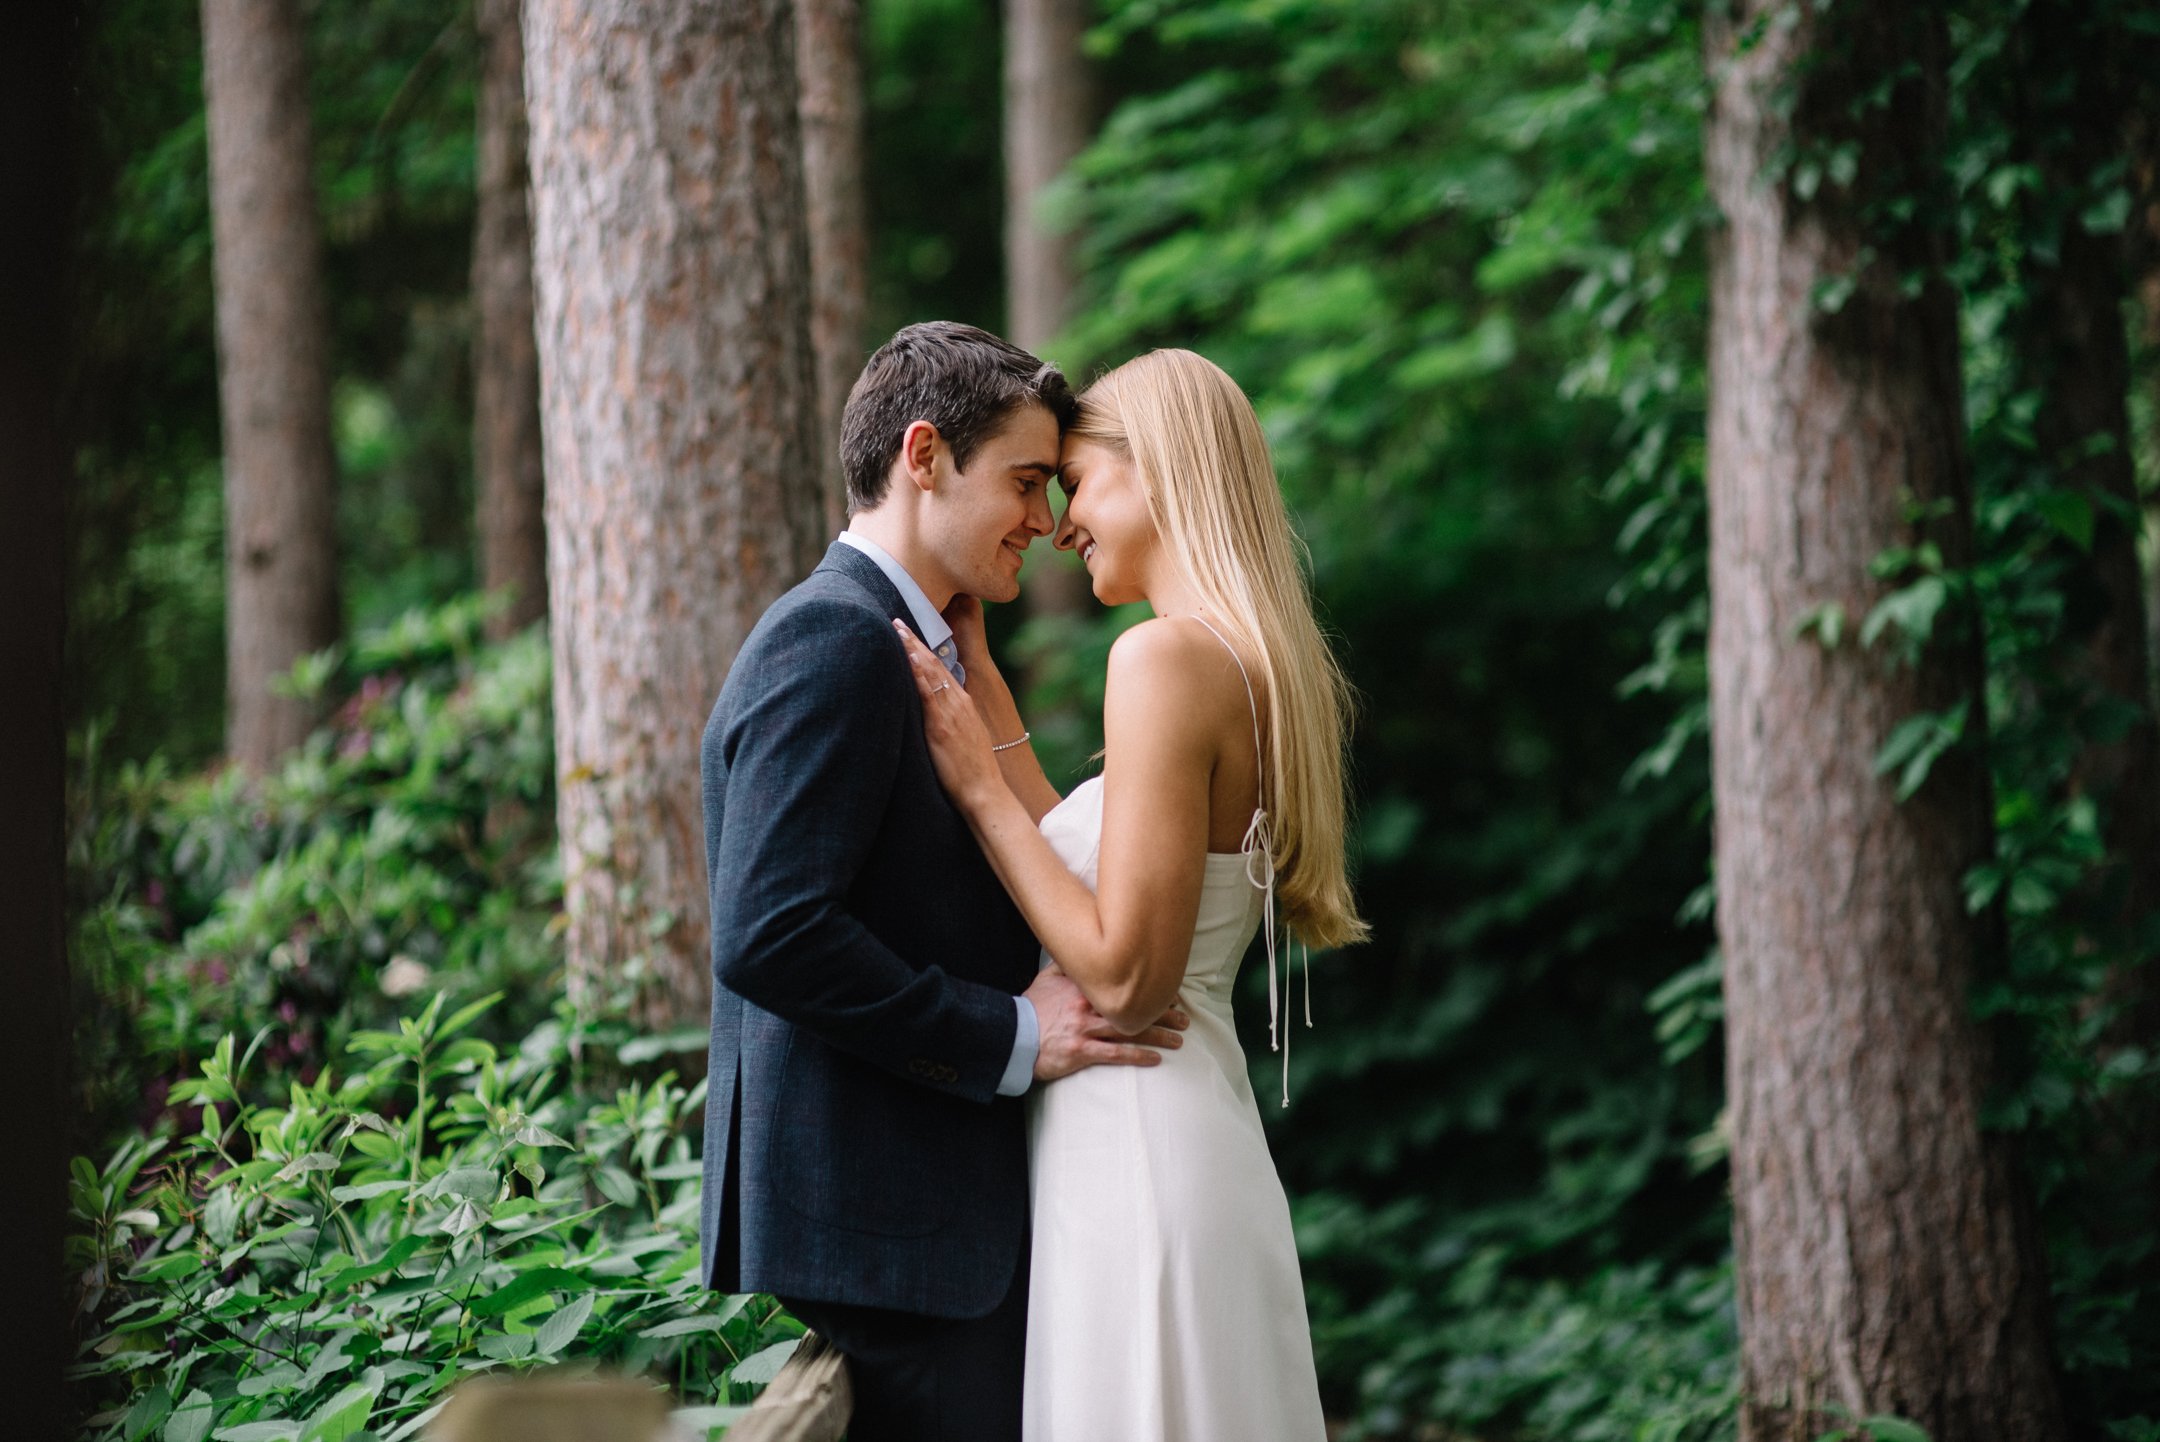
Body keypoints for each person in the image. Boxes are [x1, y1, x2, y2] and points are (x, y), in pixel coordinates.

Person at [697, 321, 1190, 1442]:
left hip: (917, 1225)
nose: (1045, 519)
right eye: (1024, 480)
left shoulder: (909, 644)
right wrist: (1009, 1033)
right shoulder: (833, 640)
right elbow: (770, 930)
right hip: (892, 1230)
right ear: (924, 456)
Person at [895, 347, 1368, 1441]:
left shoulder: (1160, 660)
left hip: (1135, 1142)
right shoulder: (1242, 658)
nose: (1061, 522)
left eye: (1077, 482)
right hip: (1181, 1126)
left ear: (1154, 470)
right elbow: (1111, 865)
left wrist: (974, 783)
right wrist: (991, 698)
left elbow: (1119, 970)